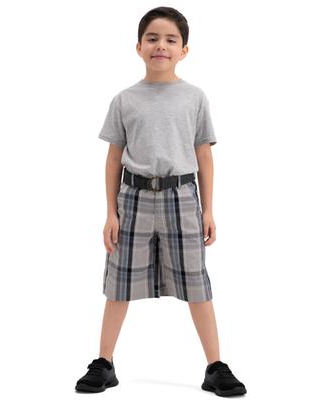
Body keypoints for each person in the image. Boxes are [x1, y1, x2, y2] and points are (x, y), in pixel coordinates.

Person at [75, 6, 247, 397]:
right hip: (133, 199)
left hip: (182, 198)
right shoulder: (124, 100)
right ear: (138, 46)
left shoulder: (195, 97)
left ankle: (216, 366)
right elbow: (114, 159)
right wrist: (110, 213)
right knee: (119, 281)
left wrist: (208, 209)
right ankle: (104, 362)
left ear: (184, 50)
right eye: (152, 38)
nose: (161, 46)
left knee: (196, 282)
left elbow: (204, 155)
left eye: (171, 40)